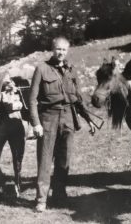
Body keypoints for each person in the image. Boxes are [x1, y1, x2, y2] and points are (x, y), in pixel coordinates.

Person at [29, 36, 95, 212]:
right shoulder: (41, 69)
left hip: (68, 119)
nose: (61, 53)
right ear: (52, 49)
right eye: (58, 49)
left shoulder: (71, 70)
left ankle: (59, 196)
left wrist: (89, 120)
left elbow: (78, 99)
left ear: (68, 51)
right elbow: (32, 99)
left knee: (64, 160)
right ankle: (41, 199)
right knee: (44, 159)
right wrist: (36, 123)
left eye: (64, 50)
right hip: (48, 119)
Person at [0, 72, 27, 198]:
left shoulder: (17, 92)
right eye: (6, 82)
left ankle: (17, 183)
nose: (9, 84)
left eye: (10, 81)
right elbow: (2, 106)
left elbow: (21, 106)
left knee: (18, 156)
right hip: (0, 126)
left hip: (16, 126)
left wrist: (15, 94)